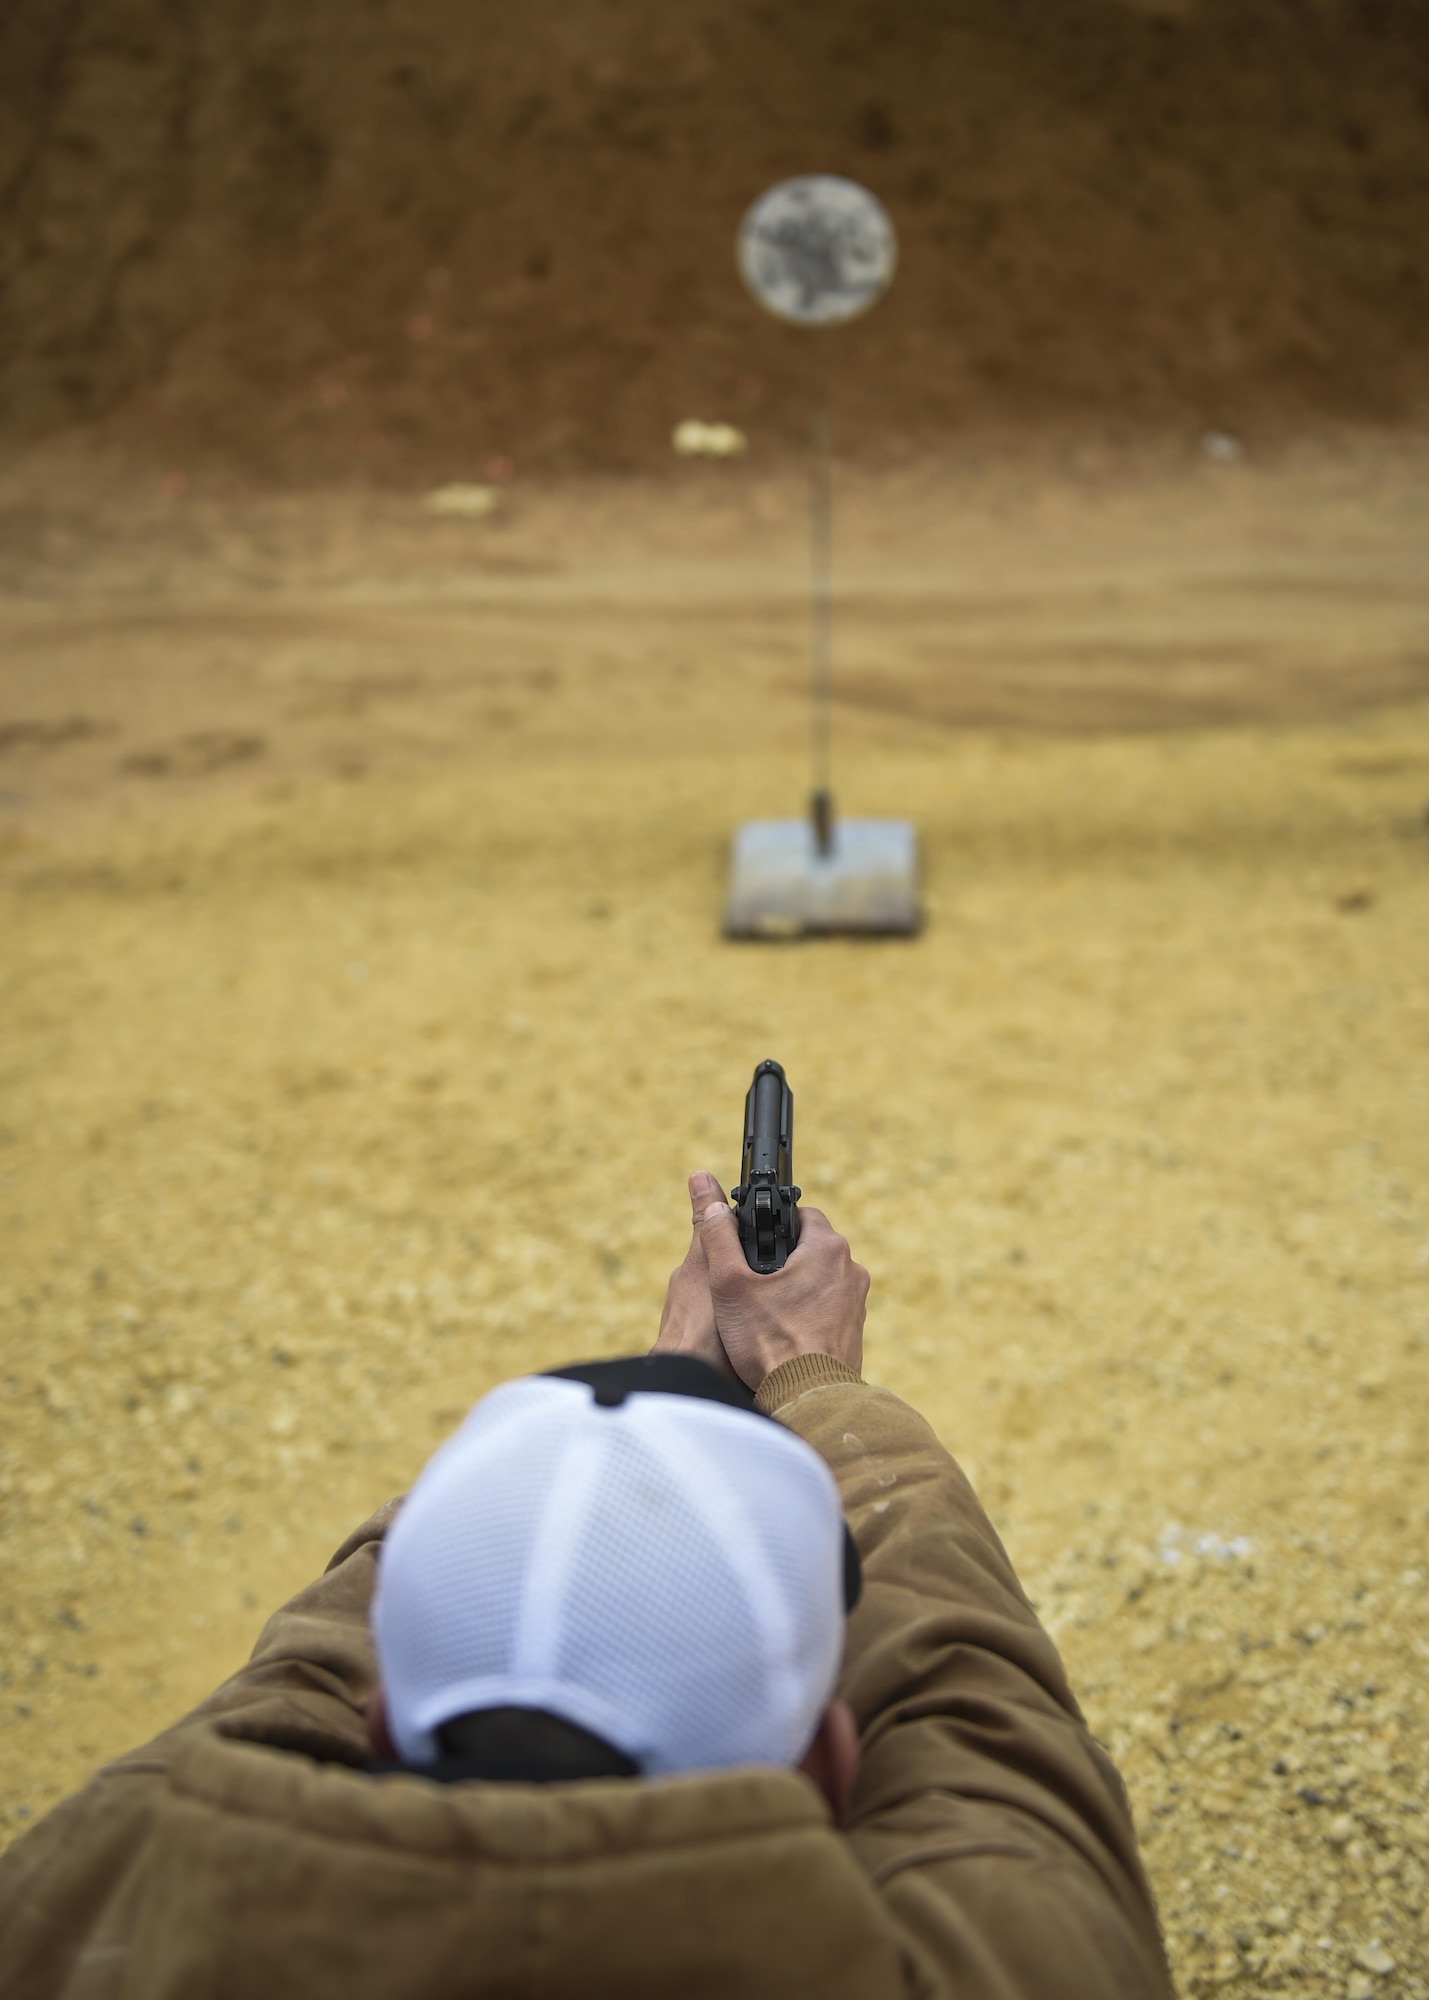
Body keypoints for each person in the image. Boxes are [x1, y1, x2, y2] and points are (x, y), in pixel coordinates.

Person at [0, 1172, 1174, 1999]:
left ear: (377, 1728)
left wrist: (650, 1395)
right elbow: (966, 1687)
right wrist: (798, 1371)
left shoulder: (81, 1905)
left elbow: (285, 1683)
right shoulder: (1014, 1956)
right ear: (828, 1765)